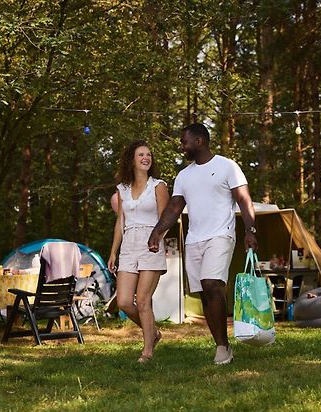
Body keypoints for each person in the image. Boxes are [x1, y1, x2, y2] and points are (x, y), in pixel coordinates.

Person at [148, 123, 257, 365]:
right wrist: (158, 231)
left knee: (212, 284)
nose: (181, 146)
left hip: (221, 235)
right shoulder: (184, 175)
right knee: (205, 294)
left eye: (184, 141)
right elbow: (174, 207)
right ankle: (223, 345)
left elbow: (244, 199)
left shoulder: (227, 166)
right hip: (194, 239)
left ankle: (221, 347)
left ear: (199, 141)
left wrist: (251, 230)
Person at [108, 140, 169, 363]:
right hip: (128, 247)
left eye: (149, 155)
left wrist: (157, 238)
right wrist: (113, 252)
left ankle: (147, 352)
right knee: (124, 301)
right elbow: (120, 222)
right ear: (131, 160)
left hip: (150, 244)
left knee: (143, 300)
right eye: (141, 154)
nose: (146, 158)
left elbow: (165, 218)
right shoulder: (122, 189)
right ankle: (153, 332)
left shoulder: (158, 185)